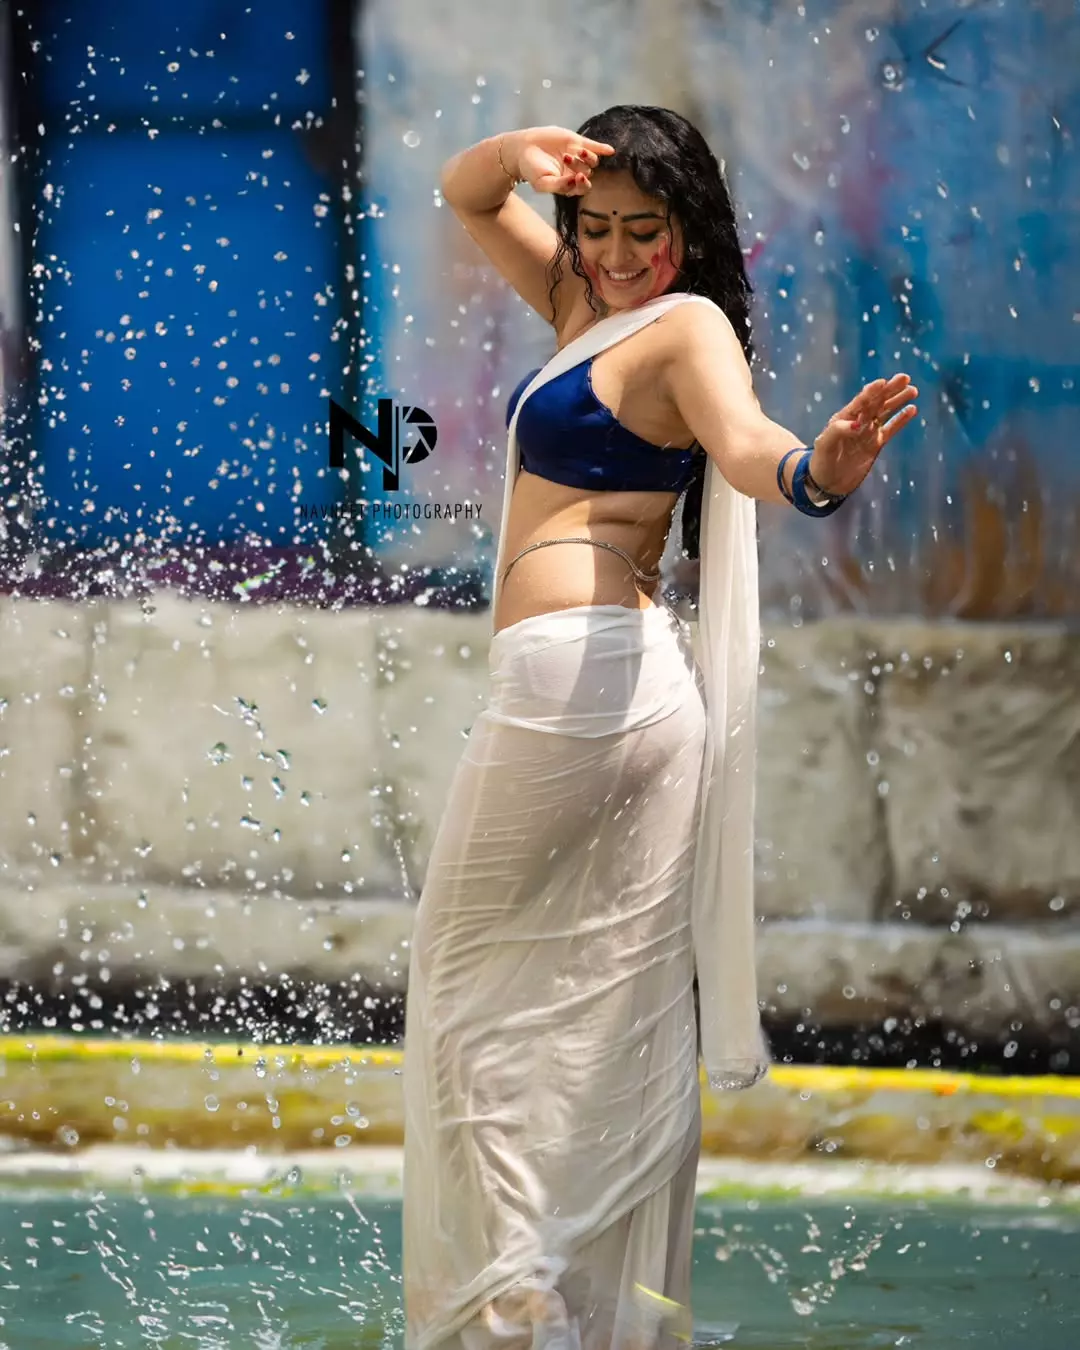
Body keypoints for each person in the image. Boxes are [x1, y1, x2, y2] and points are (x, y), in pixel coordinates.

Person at [401, 106, 918, 1349]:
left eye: (647, 229)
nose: (621, 252)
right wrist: (523, 154)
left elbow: (748, 449)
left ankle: (521, 1296)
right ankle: (562, 1301)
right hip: (616, 694)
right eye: (597, 227)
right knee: (591, 1008)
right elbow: (467, 194)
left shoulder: (686, 329)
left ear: (689, 230)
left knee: (463, 990)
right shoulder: (585, 306)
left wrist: (819, 470)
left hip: (582, 690)